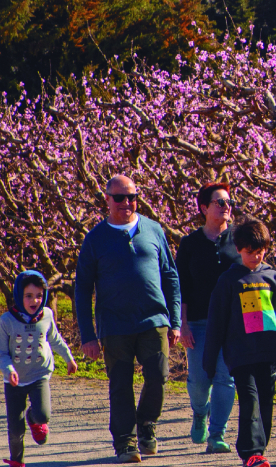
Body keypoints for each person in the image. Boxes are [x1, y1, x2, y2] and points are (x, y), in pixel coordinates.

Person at [75, 175, 182, 464]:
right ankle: (124, 441)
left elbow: (170, 275)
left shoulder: (153, 229)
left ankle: (146, 424)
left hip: (154, 319)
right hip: (115, 324)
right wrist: (88, 335)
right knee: (120, 384)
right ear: (107, 199)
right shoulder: (95, 238)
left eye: (132, 197)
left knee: (158, 376)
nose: (127, 203)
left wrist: (175, 320)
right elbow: (82, 288)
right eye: (120, 197)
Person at [204, 219, 276, 467]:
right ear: (238, 249)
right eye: (250, 252)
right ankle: (250, 452)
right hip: (240, 355)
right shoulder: (229, 281)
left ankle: (259, 451)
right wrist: (209, 360)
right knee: (250, 401)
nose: (256, 257)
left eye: (260, 251)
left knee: (265, 403)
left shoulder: (272, 277)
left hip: (268, 352)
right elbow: (216, 323)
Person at [176, 182, 240, 453]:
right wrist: (183, 323)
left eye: (228, 202)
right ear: (204, 208)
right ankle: (200, 411)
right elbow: (181, 286)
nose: (226, 207)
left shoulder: (239, 239)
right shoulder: (190, 244)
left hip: (232, 323)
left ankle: (217, 434)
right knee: (200, 380)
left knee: (226, 379)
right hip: (199, 322)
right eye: (219, 202)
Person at [0, 270, 78, 467]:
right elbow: (0, 353)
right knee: (15, 428)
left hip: (39, 374)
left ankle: (34, 418)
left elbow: (54, 339)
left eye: (39, 295)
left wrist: (68, 358)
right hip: (14, 379)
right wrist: (8, 370)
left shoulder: (46, 315)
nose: (35, 300)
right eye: (29, 296)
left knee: (43, 415)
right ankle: (17, 461)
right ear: (18, 296)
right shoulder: (7, 321)